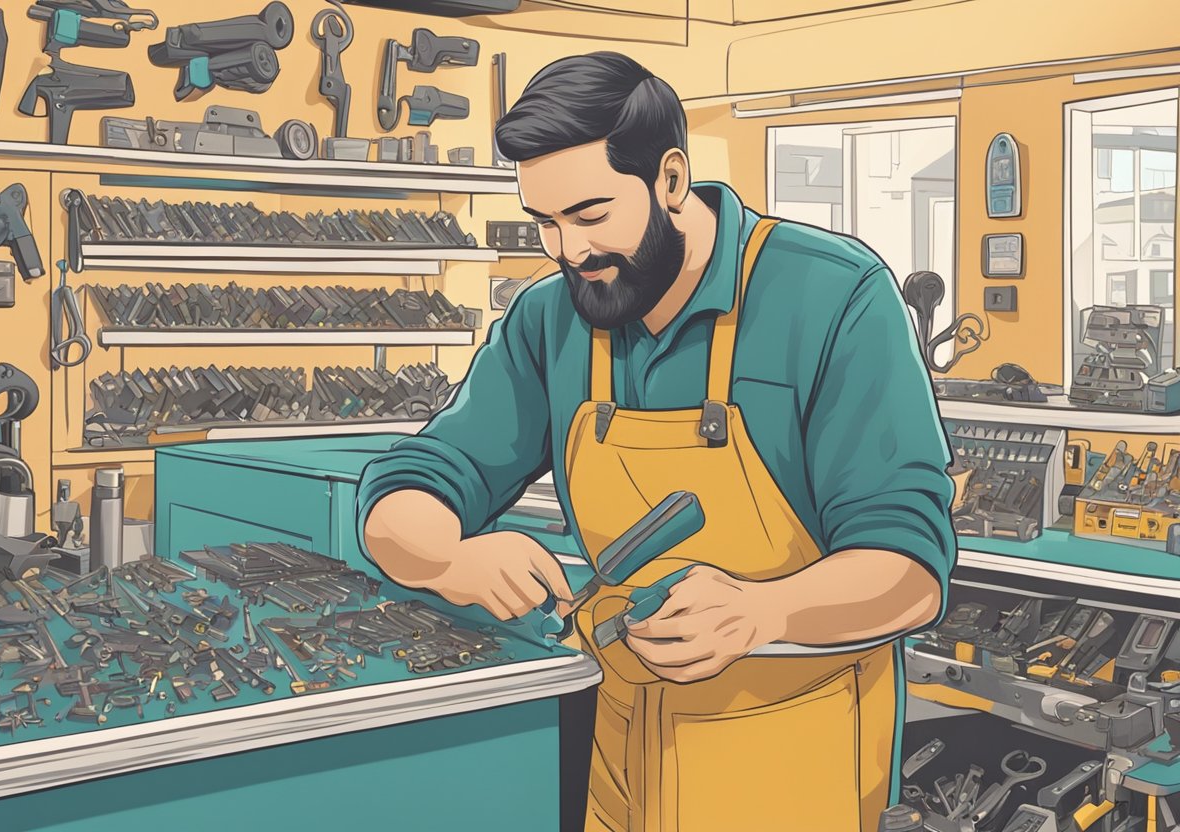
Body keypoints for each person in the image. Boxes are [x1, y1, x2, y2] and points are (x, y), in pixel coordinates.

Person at [356, 51, 957, 832]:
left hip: (795, 767)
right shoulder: (553, 316)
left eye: (590, 214)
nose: (567, 251)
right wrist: (447, 555)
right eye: (546, 222)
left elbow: (910, 568)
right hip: (622, 758)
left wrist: (762, 612)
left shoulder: (833, 294)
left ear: (670, 179)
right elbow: (419, 478)